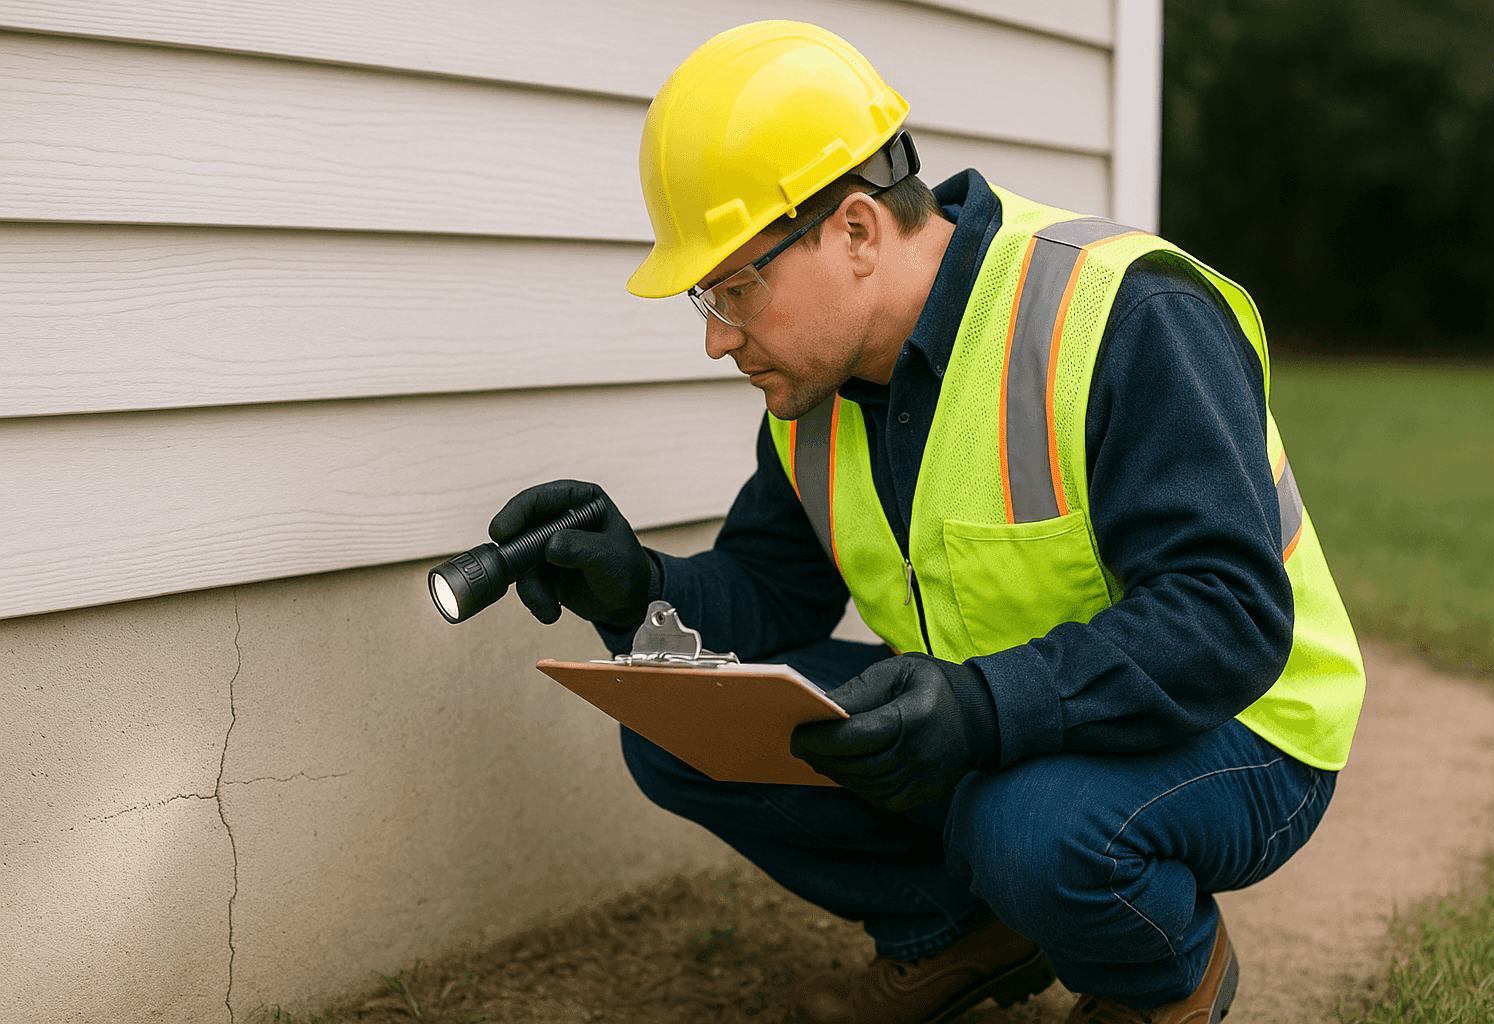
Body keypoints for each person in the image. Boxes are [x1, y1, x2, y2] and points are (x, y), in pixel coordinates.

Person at [490, 21, 1367, 1024]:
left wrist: (985, 708)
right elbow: (771, 596)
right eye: (706, 293)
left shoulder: (1120, 311)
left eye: (737, 287)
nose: (715, 337)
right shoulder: (819, 399)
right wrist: (638, 588)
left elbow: (1227, 619)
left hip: (1247, 725)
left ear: (859, 232)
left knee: (1026, 826)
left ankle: (1163, 976)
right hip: (1019, 714)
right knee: (686, 718)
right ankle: (962, 934)